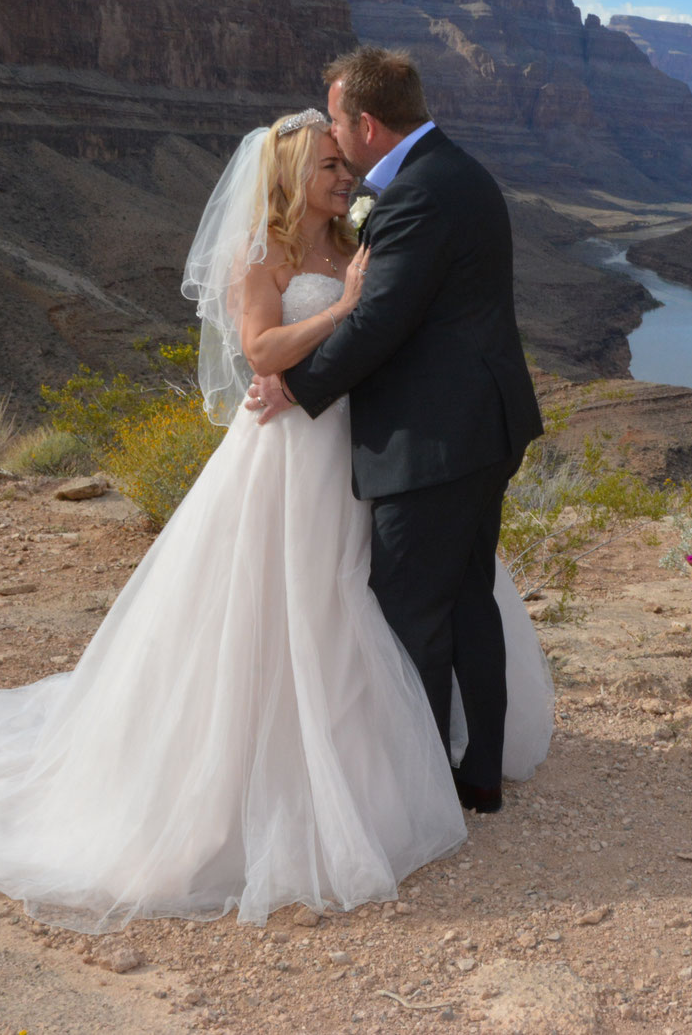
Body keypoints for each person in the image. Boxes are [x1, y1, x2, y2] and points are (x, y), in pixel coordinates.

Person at [0, 107, 552, 934]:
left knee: (361, 600)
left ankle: (372, 762)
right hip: (288, 452)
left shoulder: (355, 242)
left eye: (346, 167)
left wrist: (357, 313)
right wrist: (340, 313)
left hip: (358, 441)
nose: (344, 180)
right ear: (287, 178)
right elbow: (263, 352)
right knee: (286, 603)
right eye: (327, 169)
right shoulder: (262, 257)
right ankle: (270, 776)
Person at [246, 47, 545, 815]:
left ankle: (413, 793)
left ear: (368, 123)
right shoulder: (455, 172)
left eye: (341, 125)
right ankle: (476, 772)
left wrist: (294, 387)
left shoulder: (416, 194)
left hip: (435, 439)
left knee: (405, 609)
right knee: (468, 598)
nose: (337, 145)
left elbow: (379, 321)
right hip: (482, 426)